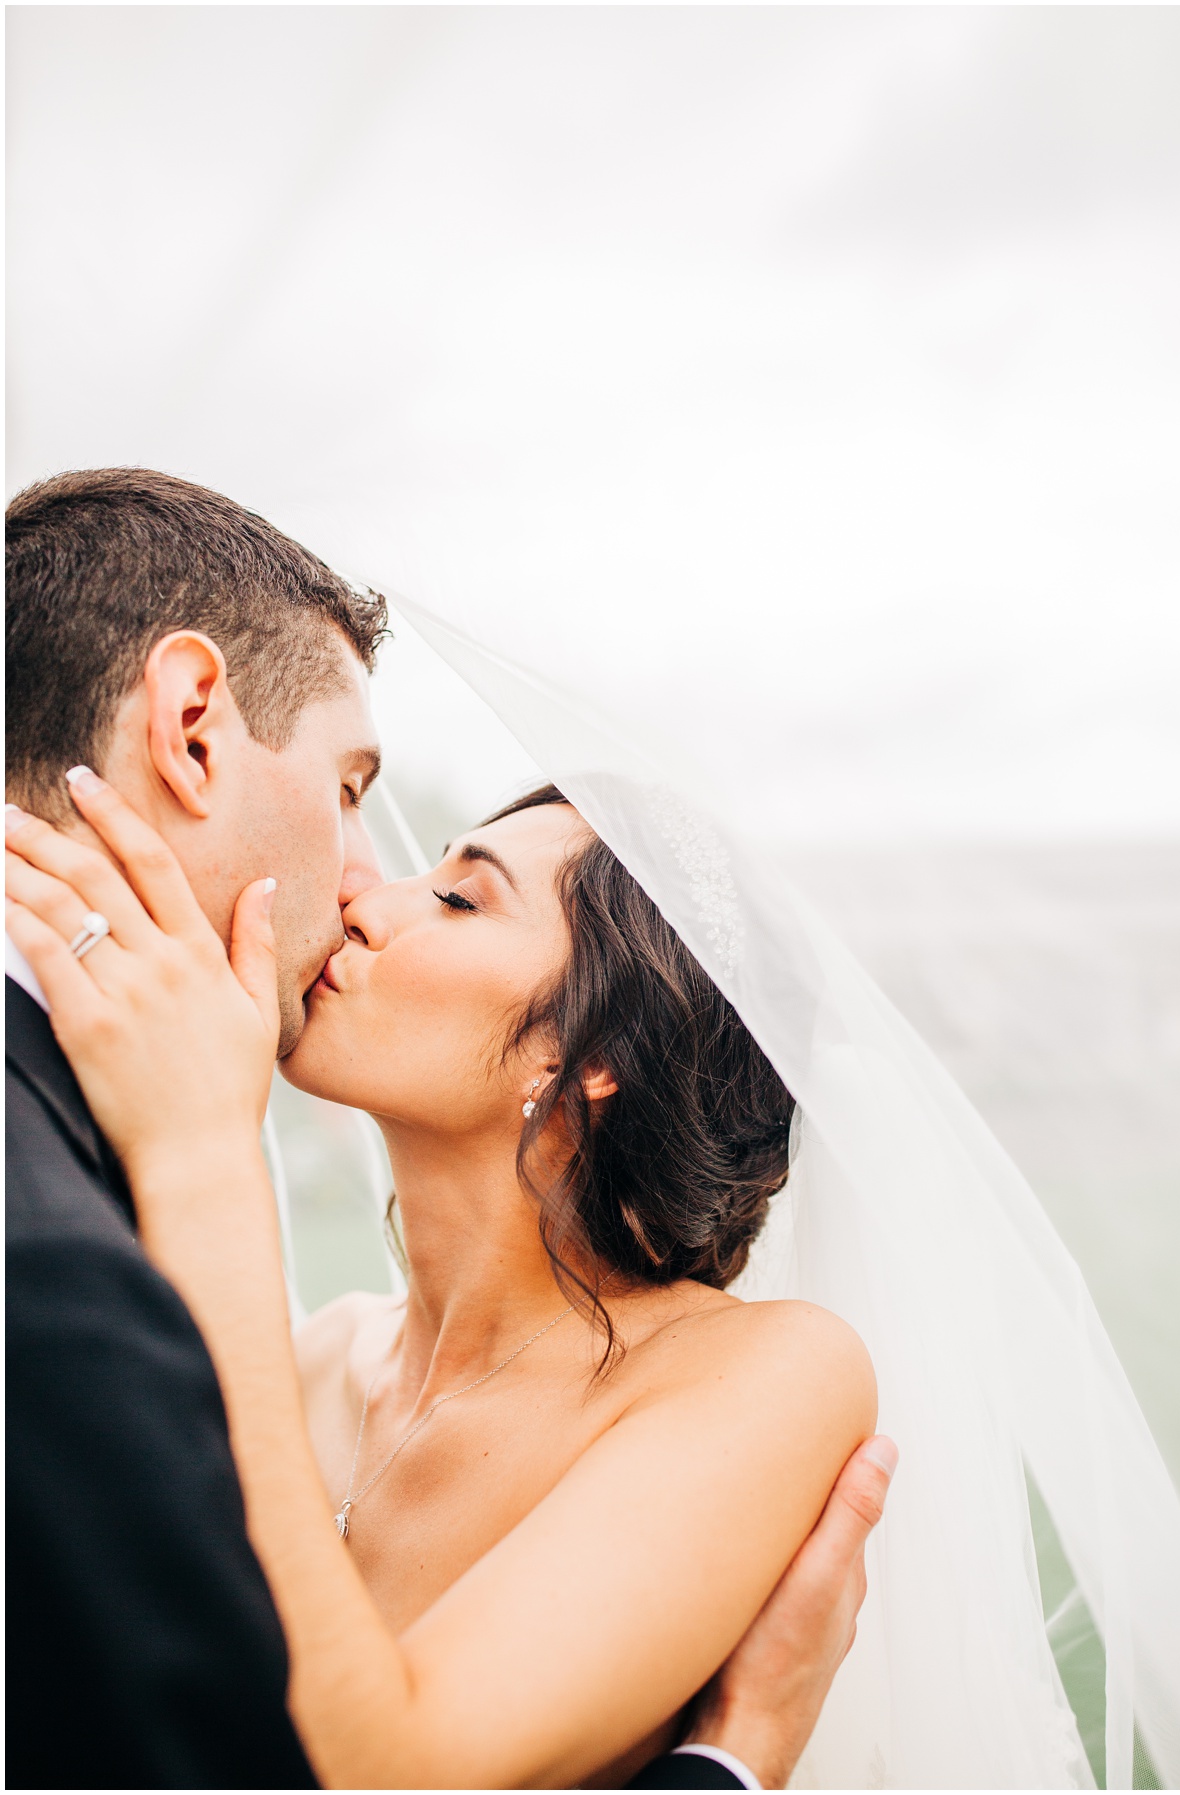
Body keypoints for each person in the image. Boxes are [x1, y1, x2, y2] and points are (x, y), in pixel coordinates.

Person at [5, 468, 895, 1791]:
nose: (364, 895)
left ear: (589, 1056)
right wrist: (735, 1758)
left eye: (461, 900)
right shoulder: (302, 1359)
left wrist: (204, 1158)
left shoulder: (768, 1376)